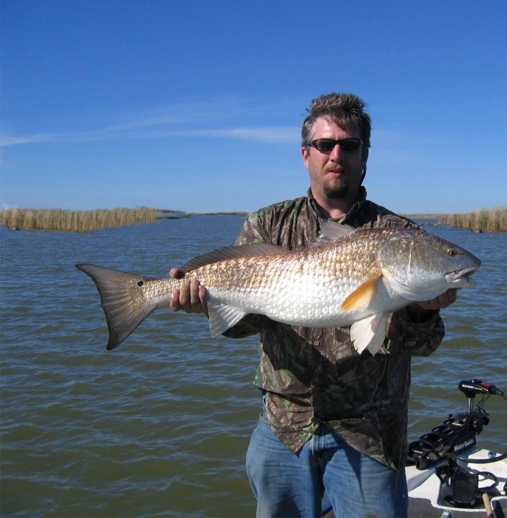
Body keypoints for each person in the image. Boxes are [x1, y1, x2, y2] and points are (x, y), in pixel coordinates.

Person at [170, 92, 457, 518]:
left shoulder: (400, 235)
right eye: (325, 144)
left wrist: (422, 310)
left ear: (365, 155)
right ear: (306, 154)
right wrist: (207, 305)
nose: (336, 154)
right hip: (283, 427)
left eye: (350, 144)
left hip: (371, 433)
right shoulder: (267, 225)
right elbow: (247, 324)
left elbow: (422, 344)